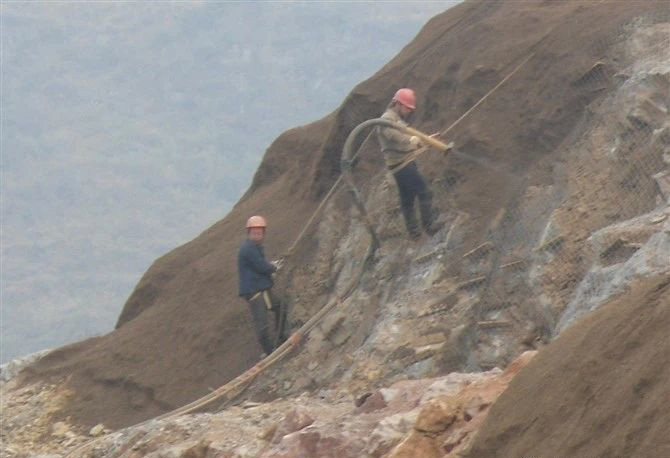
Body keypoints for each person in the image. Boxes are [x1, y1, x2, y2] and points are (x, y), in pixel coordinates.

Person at [376, 88, 441, 240]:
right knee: (424, 191)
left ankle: (414, 233)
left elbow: (408, 136)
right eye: (407, 108)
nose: (408, 111)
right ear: (398, 104)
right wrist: (412, 141)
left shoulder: (395, 118)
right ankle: (429, 226)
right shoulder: (386, 119)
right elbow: (396, 136)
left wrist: (425, 140)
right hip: (402, 165)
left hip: (402, 163)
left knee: (407, 199)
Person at [237, 215, 284, 355]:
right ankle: (269, 352)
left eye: (259, 233)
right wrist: (274, 268)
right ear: (249, 233)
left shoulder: (254, 247)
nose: (257, 235)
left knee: (280, 307)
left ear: (263, 233)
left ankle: (280, 338)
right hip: (255, 292)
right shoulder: (249, 249)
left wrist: (271, 266)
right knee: (262, 325)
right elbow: (261, 266)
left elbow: (261, 266)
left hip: (261, 289)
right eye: (254, 233)